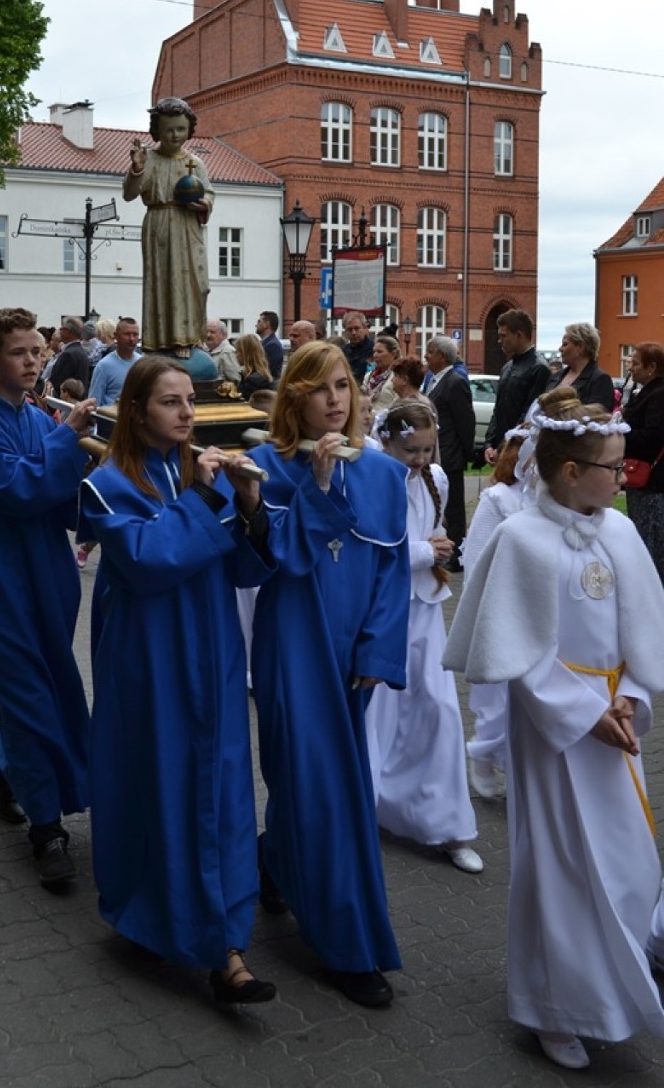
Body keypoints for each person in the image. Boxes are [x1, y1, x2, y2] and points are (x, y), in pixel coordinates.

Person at [444, 387, 664, 1071]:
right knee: (562, 865)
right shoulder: (520, 539)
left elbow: (643, 627)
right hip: (556, 731)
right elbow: (517, 651)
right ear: (569, 470)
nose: (623, 476)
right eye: (612, 466)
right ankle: (555, 1007)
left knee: (628, 860)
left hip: (613, 722)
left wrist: (628, 693)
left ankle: (618, 978)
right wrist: (581, 711)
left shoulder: (620, 531)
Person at [78, 355, 276, 1004]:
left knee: (219, 790)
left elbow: (246, 574)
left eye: (190, 400)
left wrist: (249, 507)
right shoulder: (108, 483)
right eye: (171, 402)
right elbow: (146, 560)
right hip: (150, 664)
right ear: (137, 412)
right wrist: (210, 500)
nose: (188, 413)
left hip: (213, 656)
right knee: (156, 787)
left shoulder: (203, 473)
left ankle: (224, 945)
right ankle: (149, 914)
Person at [240, 341, 410, 1008]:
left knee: (330, 785)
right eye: (319, 388)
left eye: (344, 385)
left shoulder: (384, 475)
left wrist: (375, 652)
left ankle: (275, 860)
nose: (337, 399)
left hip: (352, 656)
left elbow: (392, 575)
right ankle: (345, 943)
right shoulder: (267, 465)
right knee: (316, 787)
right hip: (294, 645)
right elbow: (274, 561)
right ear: (294, 399)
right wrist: (308, 487)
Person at [0, 309, 94, 886]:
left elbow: (63, 503)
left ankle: (2, 769)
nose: (33, 361)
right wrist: (68, 441)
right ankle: (46, 829)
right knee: (28, 691)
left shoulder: (41, 421)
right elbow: (19, 489)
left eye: (38, 352)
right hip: (9, 583)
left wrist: (116, 495)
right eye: (20, 353)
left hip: (54, 579)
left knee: (48, 682)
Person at [366, 402, 482, 873]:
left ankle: (448, 824)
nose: (418, 459)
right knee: (376, 715)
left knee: (437, 707)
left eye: (426, 449)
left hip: (426, 610)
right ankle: (365, 808)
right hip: (379, 611)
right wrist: (420, 552)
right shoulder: (370, 477)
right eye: (409, 450)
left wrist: (439, 547)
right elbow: (364, 551)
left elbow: (434, 529)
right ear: (387, 441)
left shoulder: (436, 477)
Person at [462, 424, 535, 800]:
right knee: (496, 696)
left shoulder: (548, 501)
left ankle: (520, 765)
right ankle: (484, 752)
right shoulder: (499, 500)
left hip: (535, 615)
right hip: (501, 608)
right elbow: (475, 558)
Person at [125, 97, 213, 356]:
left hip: (188, 224)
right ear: (158, 131)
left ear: (189, 129)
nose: (175, 135)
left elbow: (209, 193)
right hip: (160, 224)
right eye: (169, 129)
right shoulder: (149, 159)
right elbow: (129, 193)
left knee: (197, 283)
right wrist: (138, 168)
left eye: (180, 129)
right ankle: (166, 340)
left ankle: (191, 337)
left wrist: (204, 203)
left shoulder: (196, 163)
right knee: (165, 281)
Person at [423, 336, 475, 571]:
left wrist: (466, 452)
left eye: (430, 352)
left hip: (450, 454)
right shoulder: (434, 380)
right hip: (438, 453)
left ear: (442, 356)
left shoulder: (455, 381)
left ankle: (457, 556)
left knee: (454, 509)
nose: (426, 356)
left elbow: (465, 421)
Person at [484, 309, 550, 463]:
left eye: (503, 336)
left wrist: (503, 447)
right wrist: (489, 443)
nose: (499, 341)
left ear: (519, 335)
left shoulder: (539, 368)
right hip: (503, 447)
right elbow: (498, 409)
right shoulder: (506, 368)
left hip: (521, 450)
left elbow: (528, 416)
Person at [622, 341, 664, 582]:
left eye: (636, 364)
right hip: (643, 484)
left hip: (653, 485)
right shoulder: (647, 392)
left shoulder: (659, 395)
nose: (630, 368)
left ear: (652, 367)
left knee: (651, 545)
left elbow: (651, 440)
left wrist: (619, 431)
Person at [544, 322, 614, 410]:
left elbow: (599, 416)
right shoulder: (555, 377)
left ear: (580, 347)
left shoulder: (600, 379)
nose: (560, 349)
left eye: (565, 344)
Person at [89, 318, 142, 406]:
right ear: (116, 336)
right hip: (111, 418)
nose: (131, 339)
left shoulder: (142, 363)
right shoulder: (103, 366)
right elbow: (94, 402)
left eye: (135, 334)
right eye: (127, 334)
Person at [48, 317, 91, 393]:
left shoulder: (69, 354)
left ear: (68, 332)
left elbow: (57, 382)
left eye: (61, 329)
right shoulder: (80, 351)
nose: (59, 331)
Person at [234, 333, 275, 402]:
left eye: (237, 351)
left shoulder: (252, 381)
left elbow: (245, 405)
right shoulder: (260, 376)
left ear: (245, 353)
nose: (236, 355)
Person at [364, 335, 400, 409]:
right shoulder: (369, 376)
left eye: (379, 352)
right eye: (374, 352)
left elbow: (398, 404)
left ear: (393, 354)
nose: (375, 355)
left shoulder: (398, 376)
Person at [342, 312, 375, 384]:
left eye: (357, 328)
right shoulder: (342, 352)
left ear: (364, 328)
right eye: (349, 329)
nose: (353, 333)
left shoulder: (375, 350)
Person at [205, 319, 241, 383]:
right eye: (206, 332)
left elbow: (235, 379)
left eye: (212, 332)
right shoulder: (207, 351)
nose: (208, 335)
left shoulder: (227, 352)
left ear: (224, 335)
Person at [256, 311, 283, 380]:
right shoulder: (265, 343)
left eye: (259, 321)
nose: (256, 325)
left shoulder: (273, 346)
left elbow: (266, 371)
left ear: (266, 324)